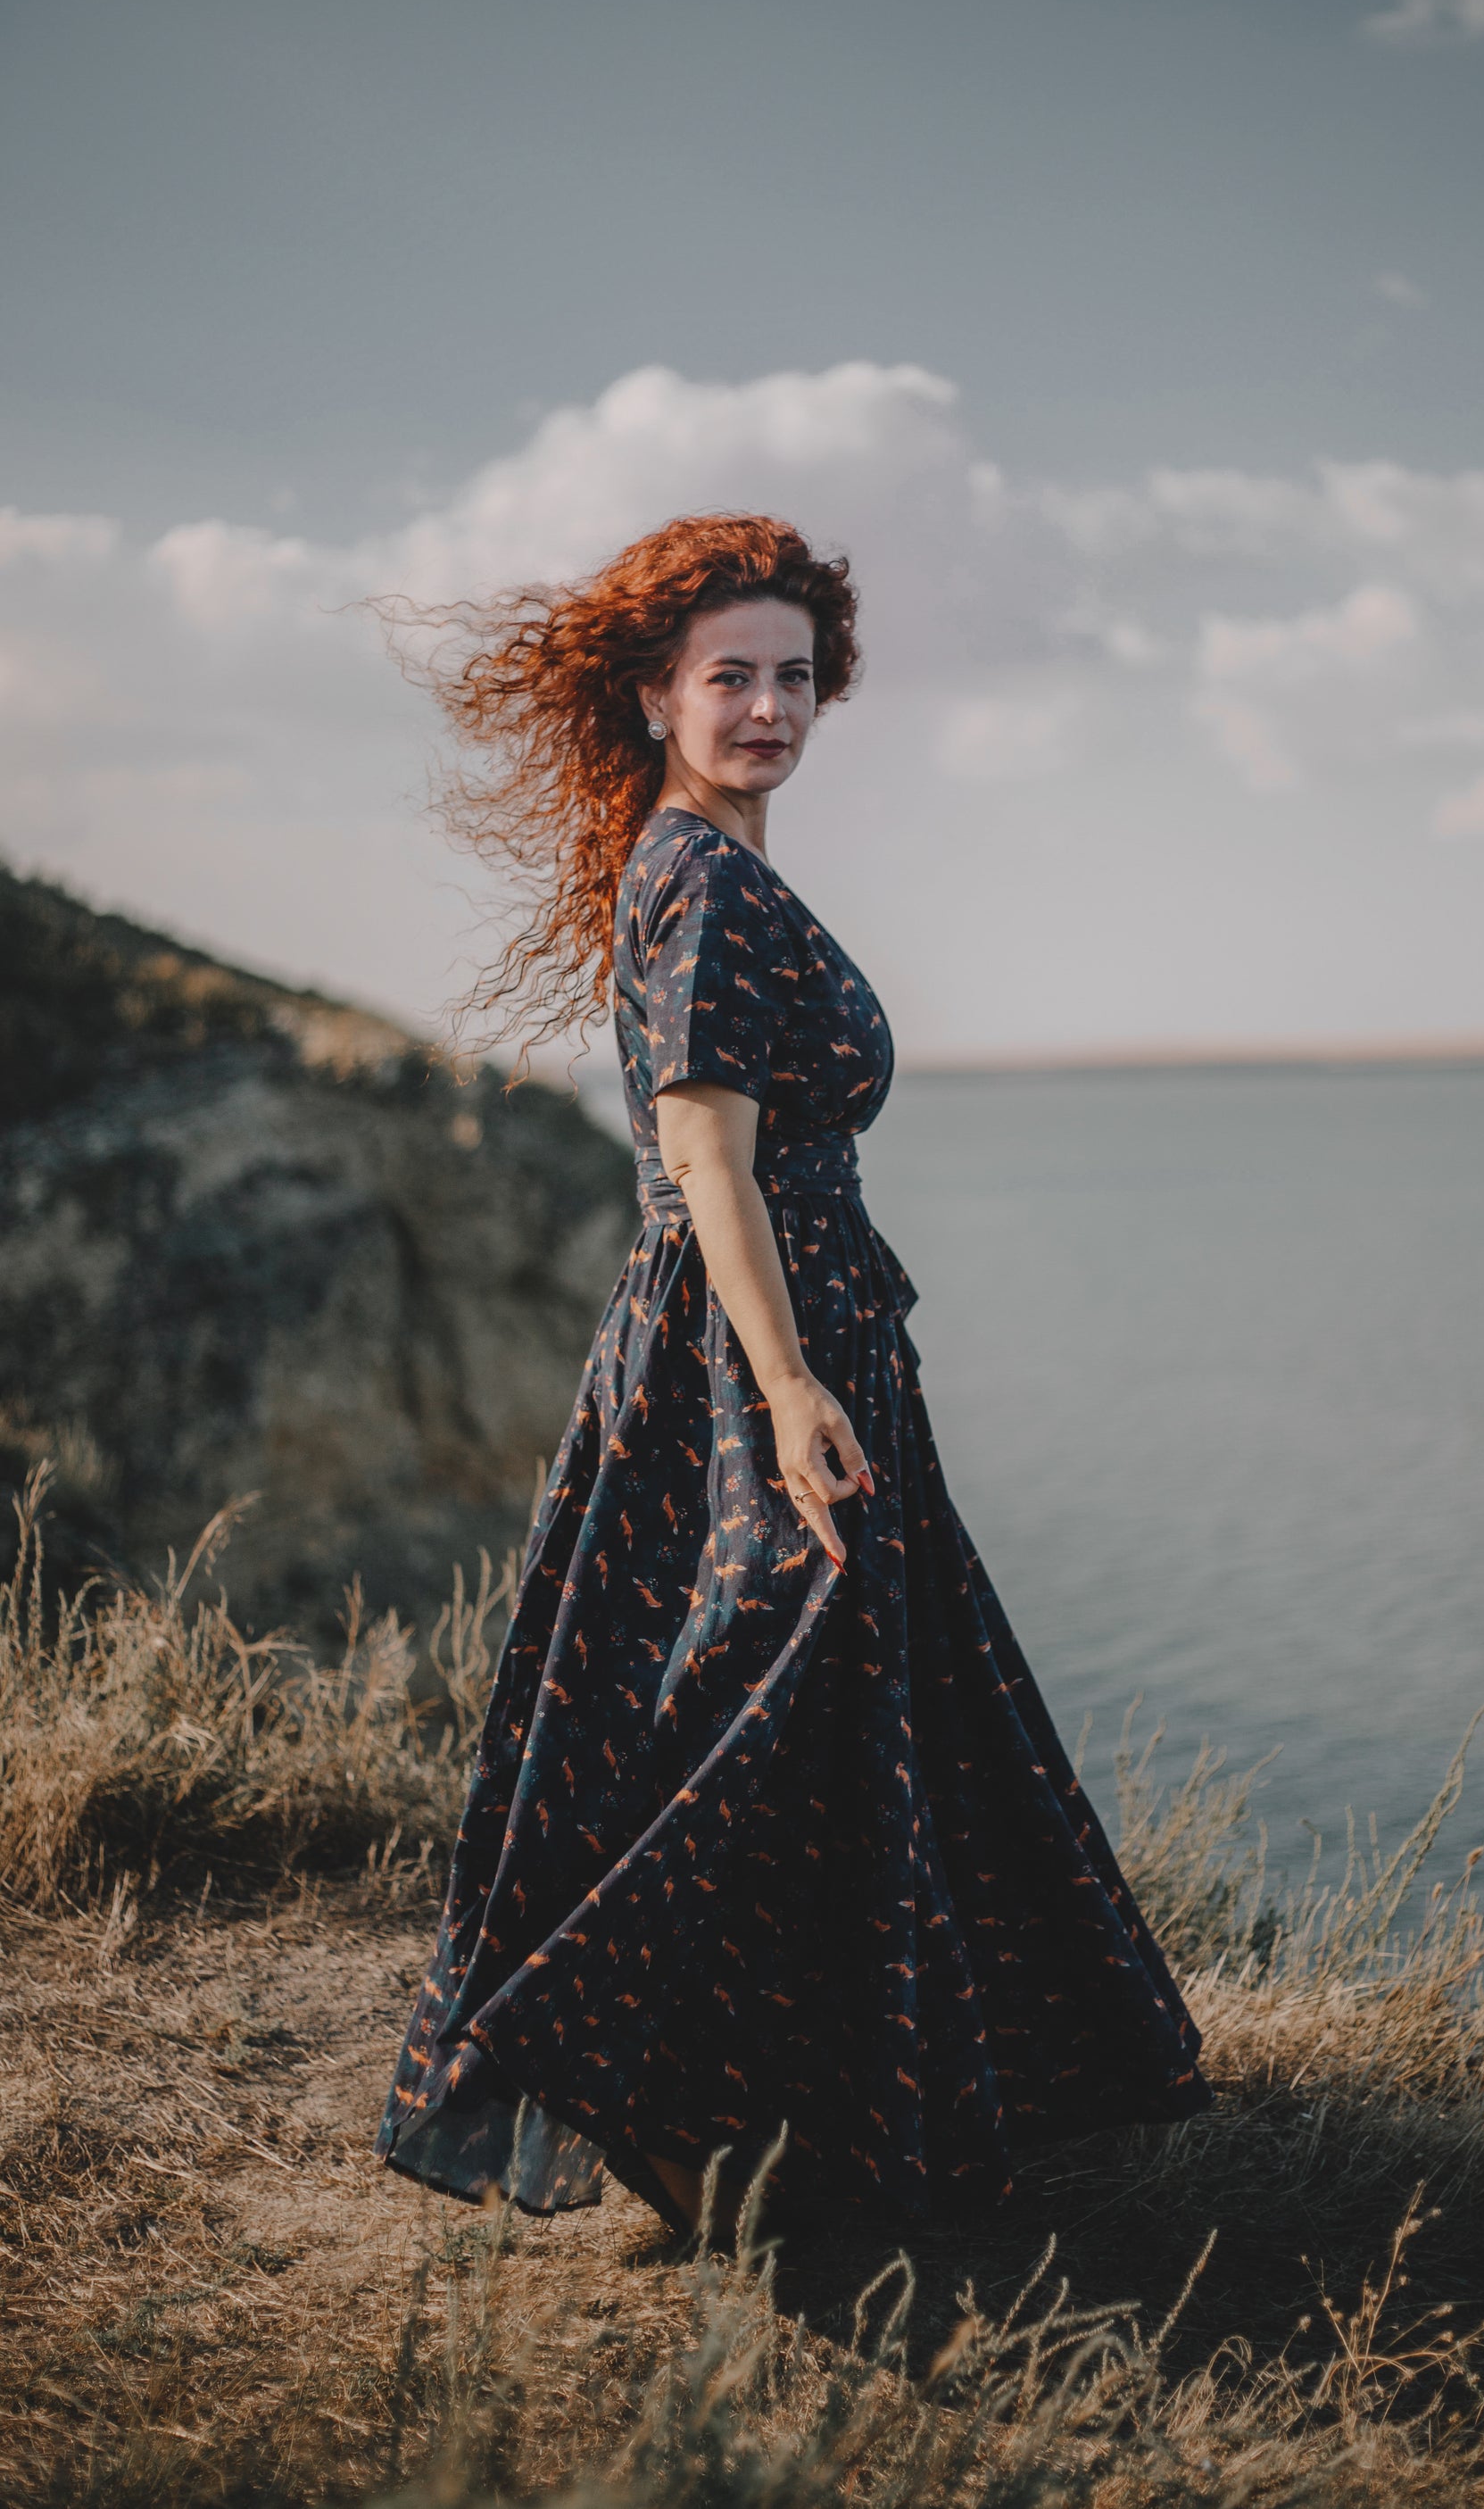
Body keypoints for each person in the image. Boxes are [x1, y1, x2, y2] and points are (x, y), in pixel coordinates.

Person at [377, 513, 1209, 2238]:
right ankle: (626, 2095)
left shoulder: (719, 869)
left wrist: (817, 1369)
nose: (768, 707)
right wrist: (788, 1388)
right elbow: (706, 1165)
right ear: (654, 696)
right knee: (746, 1708)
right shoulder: (696, 878)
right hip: (741, 1356)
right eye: (730, 676)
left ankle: (746, 2129)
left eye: (795, 678)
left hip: (794, 1343)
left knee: (833, 1723)